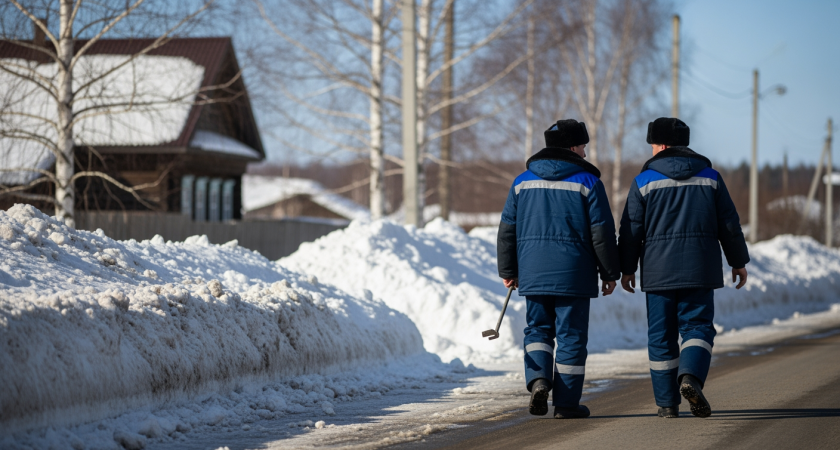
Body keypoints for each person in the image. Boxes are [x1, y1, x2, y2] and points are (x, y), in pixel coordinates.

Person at [618, 117, 750, 419]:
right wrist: (737, 261)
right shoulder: (711, 177)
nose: (651, 149)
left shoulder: (643, 182)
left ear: (661, 144)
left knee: (661, 336)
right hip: (700, 268)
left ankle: (666, 404)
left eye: (653, 144)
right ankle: (689, 377)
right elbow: (728, 224)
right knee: (698, 328)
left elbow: (630, 230)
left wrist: (626, 269)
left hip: (657, 272)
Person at [497, 119, 621, 419]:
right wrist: (609, 272)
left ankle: (539, 380)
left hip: (533, 272)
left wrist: (508, 269)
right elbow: (602, 232)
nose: (585, 153)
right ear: (571, 147)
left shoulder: (522, 181)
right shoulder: (588, 183)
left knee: (537, 330)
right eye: (583, 146)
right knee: (571, 337)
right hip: (574, 275)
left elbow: (507, 231)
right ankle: (566, 404)